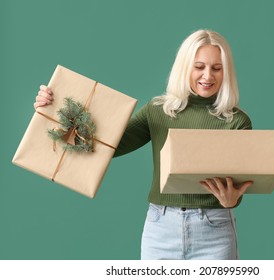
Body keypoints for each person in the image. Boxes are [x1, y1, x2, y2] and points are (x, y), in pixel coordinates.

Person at [34, 29, 253, 260]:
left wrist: (232, 200)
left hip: (214, 230)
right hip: (161, 229)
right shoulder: (159, 111)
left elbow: (237, 187)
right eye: (199, 66)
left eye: (216, 68)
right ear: (184, 67)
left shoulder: (236, 122)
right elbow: (108, 145)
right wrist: (53, 110)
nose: (208, 76)